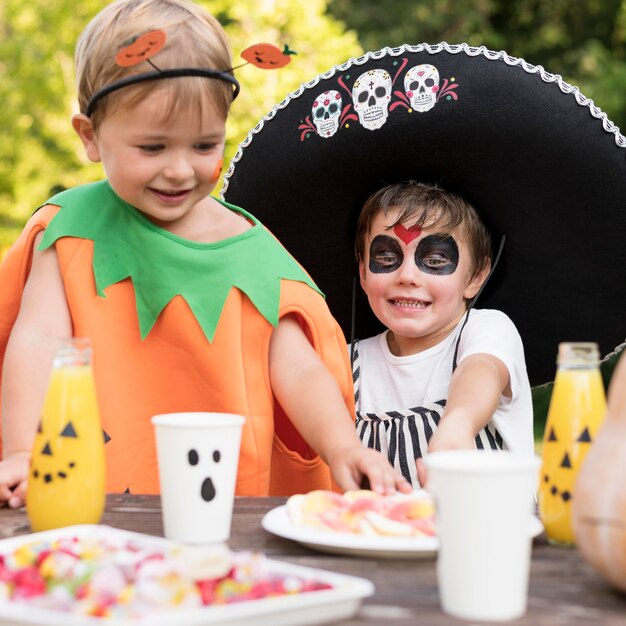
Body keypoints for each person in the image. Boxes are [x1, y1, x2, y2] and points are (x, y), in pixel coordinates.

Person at [0, 0, 411, 508]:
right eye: (152, 148)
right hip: (85, 493)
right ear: (90, 136)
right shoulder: (71, 231)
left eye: (203, 146)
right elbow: (40, 340)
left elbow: (300, 371)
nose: (179, 170)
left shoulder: (253, 254)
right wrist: (21, 451)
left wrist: (344, 446)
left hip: (218, 505)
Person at [353, 181, 534, 487]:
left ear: (476, 278)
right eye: (385, 258)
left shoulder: (486, 329)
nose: (407, 276)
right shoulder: (346, 361)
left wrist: (459, 421)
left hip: (489, 529)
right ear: (363, 273)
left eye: (434, 261)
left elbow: (483, 370)